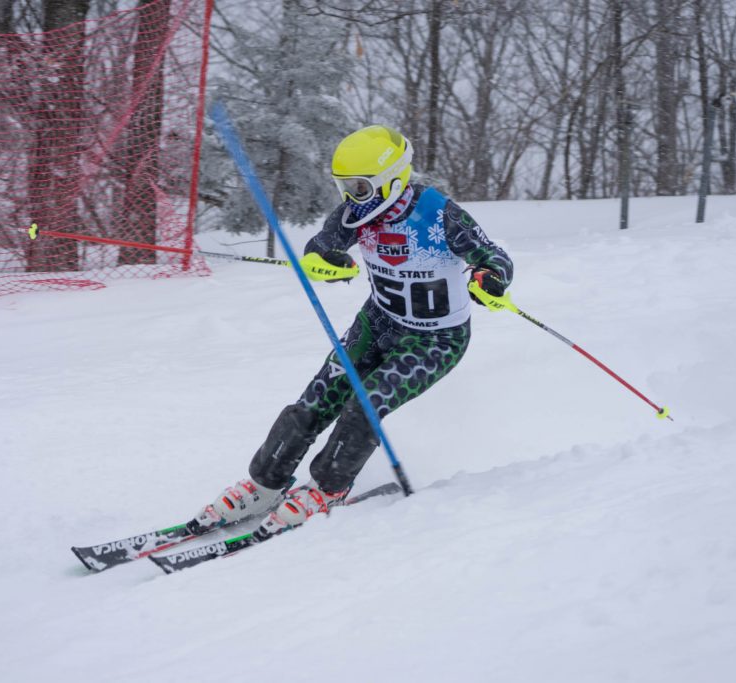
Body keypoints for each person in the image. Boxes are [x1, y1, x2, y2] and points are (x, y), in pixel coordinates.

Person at [189, 125, 513, 540]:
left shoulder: (439, 215)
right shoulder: (355, 214)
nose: (350, 198)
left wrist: (491, 277)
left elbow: (493, 255)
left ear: (391, 181)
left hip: (436, 340)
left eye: (359, 187)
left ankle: (328, 489)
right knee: (316, 399)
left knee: (364, 405)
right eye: (344, 187)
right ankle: (264, 485)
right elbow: (323, 245)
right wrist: (324, 260)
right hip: (376, 324)